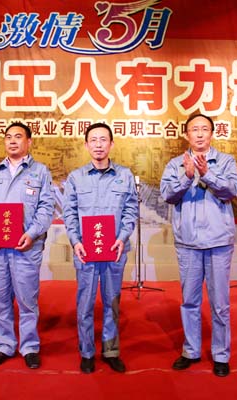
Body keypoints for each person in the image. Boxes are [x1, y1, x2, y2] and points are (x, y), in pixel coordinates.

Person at [160, 113, 237, 377]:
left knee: (220, 303)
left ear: (212, 133)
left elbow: (232, 191)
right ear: (186, 134)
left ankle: (221, 355)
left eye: (204, 129)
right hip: (188, 243)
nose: (199, 133)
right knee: (190, 301)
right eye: (194, 129)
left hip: (218, 242)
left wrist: (207, 174)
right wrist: (187, 176)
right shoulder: (175, 164)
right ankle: (191, 350)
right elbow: (167, 195)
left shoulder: (226, 161)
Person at [0, 122, 55, 370]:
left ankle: (29, 347)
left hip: (26, 249)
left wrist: (31, 234)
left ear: (28, 142)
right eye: (8, 137)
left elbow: (46, 208)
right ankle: (4, 345)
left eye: (18, 136)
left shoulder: (40, 172)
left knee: (27, 301)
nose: (12, 141)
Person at [62, 122, 138, 374]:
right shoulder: (76, 177)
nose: (98, 145)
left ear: (111, 144)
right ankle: (86, 352)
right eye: (93, 140)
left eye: (103, 139)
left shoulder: (124, 175)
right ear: (86, 145)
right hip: (86, 251)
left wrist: (123, 237)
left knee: (112, 301)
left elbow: (131, 210)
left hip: (114, 250)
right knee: (84, 303)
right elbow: (69, 213)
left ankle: (110, 350)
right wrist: (76, 241)